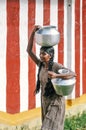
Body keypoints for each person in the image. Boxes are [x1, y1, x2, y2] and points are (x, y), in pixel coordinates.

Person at [27, 25, 76, 130]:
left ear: (50, 55)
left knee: (47, 128)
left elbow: (73, 74)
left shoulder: (56, 66)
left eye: (43, 54)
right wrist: (33, 32)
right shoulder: (40, 65)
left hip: (56, 102)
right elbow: (29, 51)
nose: (40, 56)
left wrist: (57, 75)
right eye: (40, 53)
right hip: (45, 101)